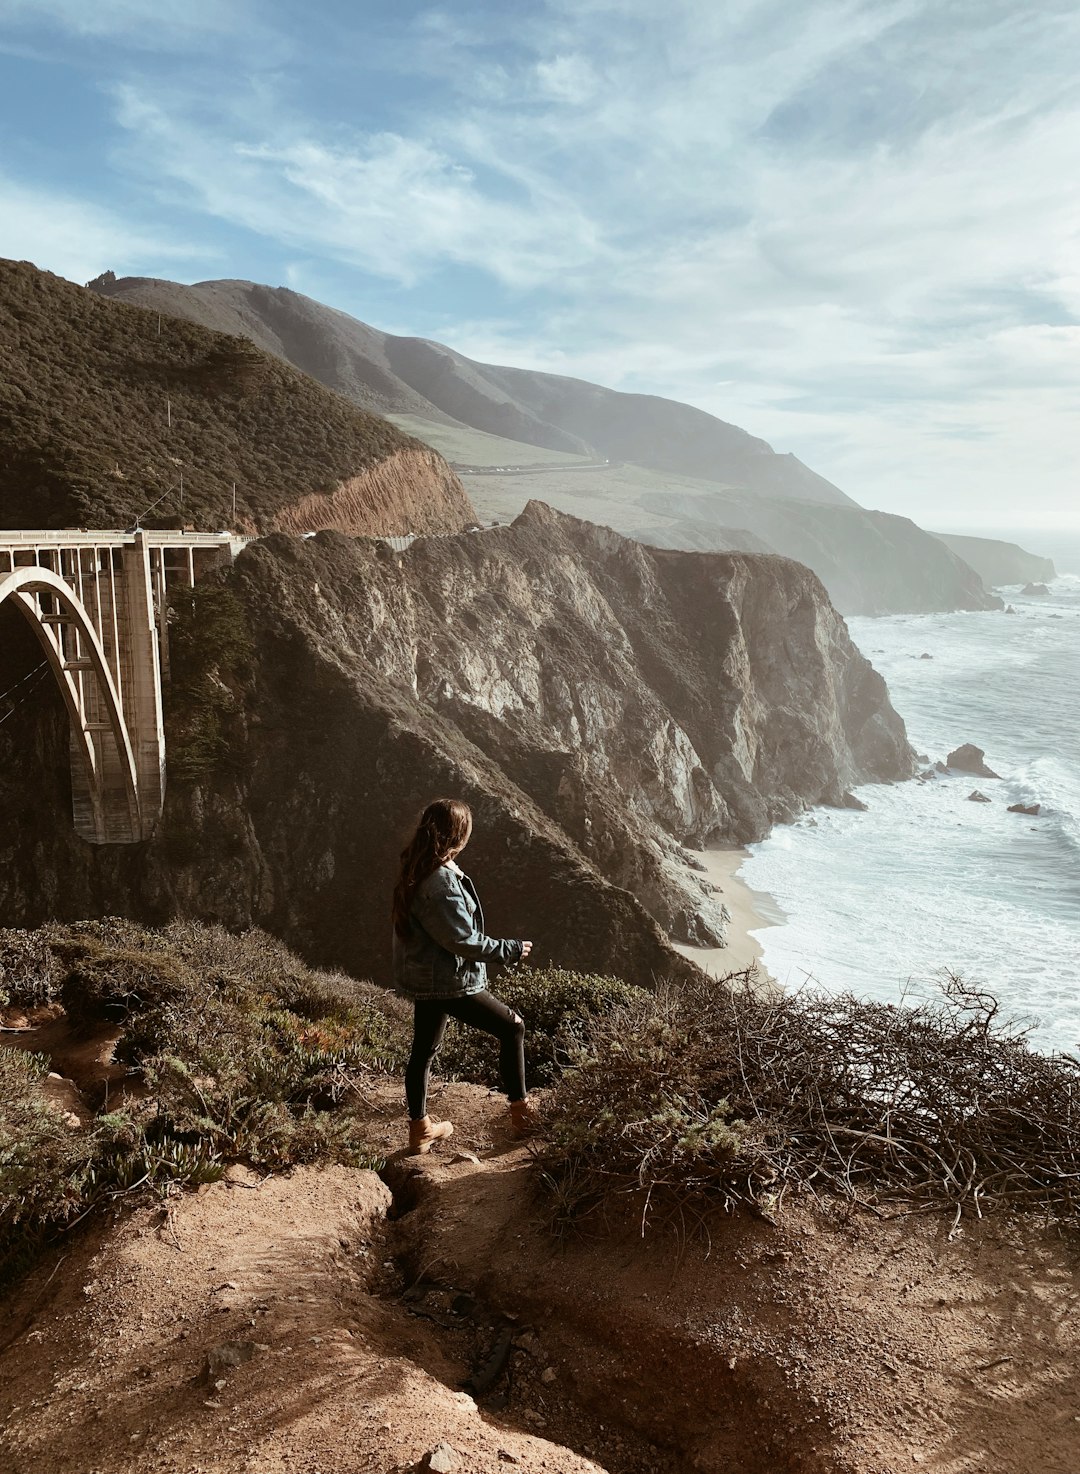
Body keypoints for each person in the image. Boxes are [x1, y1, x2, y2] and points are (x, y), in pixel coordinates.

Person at [392, 797, 536, 1154]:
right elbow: (463, 941)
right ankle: (521, 1117)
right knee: (513, 1026)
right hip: (449, 982)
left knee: (423, 1051)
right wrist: (511, 950)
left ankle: (420, 1128)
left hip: (428, 978)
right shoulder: (439, 882)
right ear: (457, 834)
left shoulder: (418, 868)